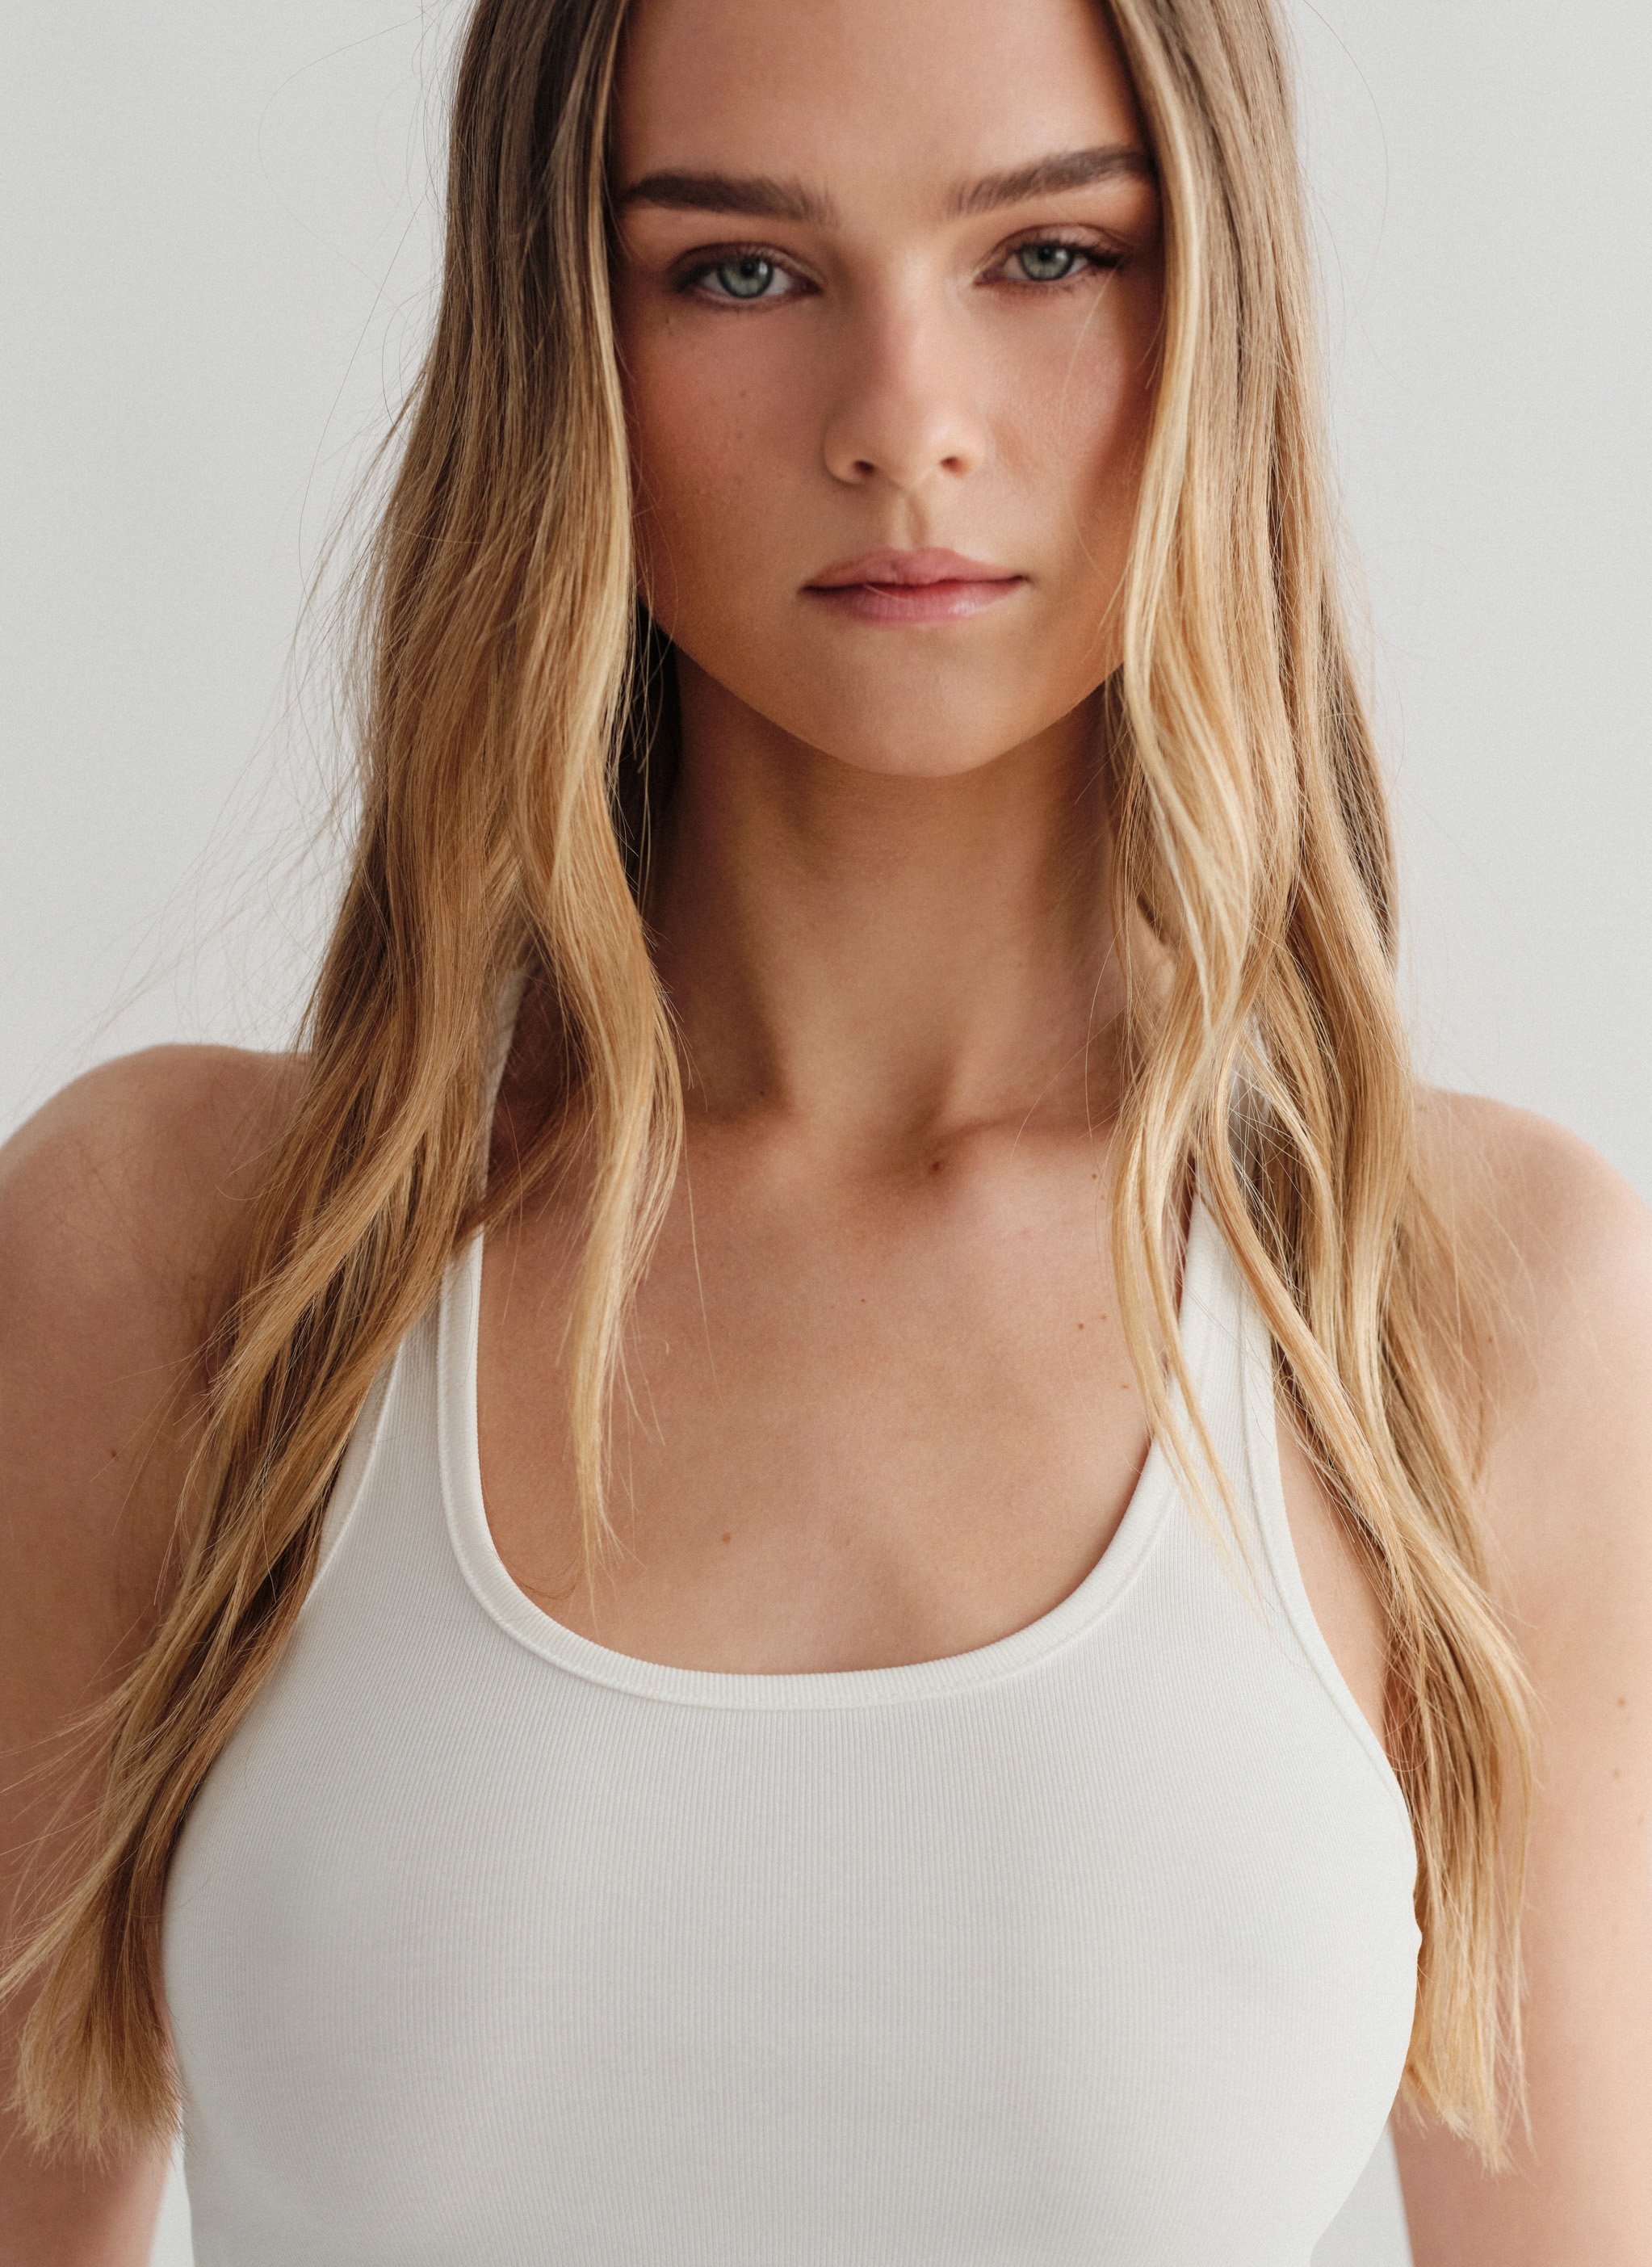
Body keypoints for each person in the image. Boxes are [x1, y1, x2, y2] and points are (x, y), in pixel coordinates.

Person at [3, 0, 1650, 2257]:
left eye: (1049, 254)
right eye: (743, 270)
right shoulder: (176, 1258)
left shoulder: (1469, 1303)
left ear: (1224, 303)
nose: (903, 423)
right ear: (561, 345)